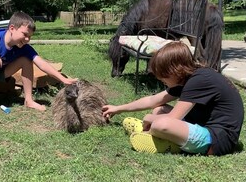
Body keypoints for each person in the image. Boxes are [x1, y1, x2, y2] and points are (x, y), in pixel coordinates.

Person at [102, 41, 244, 156]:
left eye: (163, 76)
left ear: (174, 71)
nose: (162, 80)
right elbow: (153, 101)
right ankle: (157, 135)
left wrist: (148, 119)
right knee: (159, 109)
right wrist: (118, 109)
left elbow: (172, 119)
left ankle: (165, 142)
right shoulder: (188, 77)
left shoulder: (199, 80)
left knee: (160, 124)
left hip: (217, 141)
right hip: (204, 127)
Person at [0, 11, 77, 115]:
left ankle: (29, 100)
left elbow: (41, 63)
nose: (27, 39)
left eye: (30, 37)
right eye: (25, 34)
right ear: (12, 28)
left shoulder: (23, 47)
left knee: (26, 60)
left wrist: (63, 79)